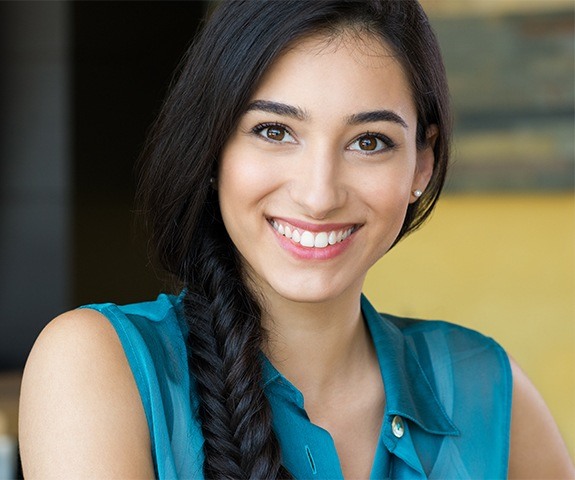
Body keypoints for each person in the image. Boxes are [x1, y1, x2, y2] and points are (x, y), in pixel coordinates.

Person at [19, 1, 574, 479]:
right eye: (274, 131)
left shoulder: (487, 388)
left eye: (370, 142)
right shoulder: (96, 365)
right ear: (213, 151)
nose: (318, 194)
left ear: (421, 166)